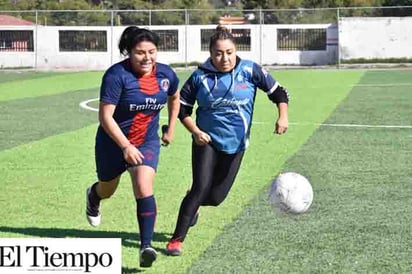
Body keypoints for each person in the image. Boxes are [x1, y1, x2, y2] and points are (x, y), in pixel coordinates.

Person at [166, 26, 289, 256]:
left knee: (215, 198)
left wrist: (283, 116)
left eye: (230, 52)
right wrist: (195, 131)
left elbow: (279, 92)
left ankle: (193, 205)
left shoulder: (250, 70)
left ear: (236, 50)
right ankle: (176, 240)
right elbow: (182, 109)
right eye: (219, 53)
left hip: (236, 144)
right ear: (211, 54)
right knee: (200, 188)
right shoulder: (199, 77)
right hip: (206, 140)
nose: (225, 58)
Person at [85, 26, 180, 268]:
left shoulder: (166, 75)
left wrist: (171, 127)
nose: (147, 57)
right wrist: (125, 146)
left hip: (146, 141)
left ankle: (145, 246)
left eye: (152, 51)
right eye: (140, 52)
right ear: (128, 52)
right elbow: (105, 117)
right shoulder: (116, 76)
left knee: (143, 185)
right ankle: (93, 195)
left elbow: (174, 97)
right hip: (112, 142)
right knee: (108, 189)